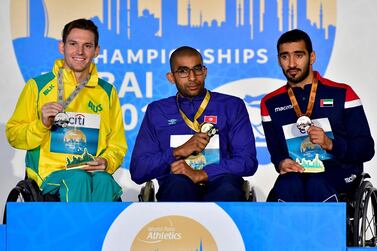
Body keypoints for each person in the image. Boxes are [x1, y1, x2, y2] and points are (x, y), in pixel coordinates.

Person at [6, 18, 127, 202]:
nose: (80, 51)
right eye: (73, 44)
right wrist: (42, 124)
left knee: (105, 181)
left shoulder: (107, 92)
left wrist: (107, 162)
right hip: (50, 174)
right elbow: (14, 135)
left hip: (90, 171)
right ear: (62, 47)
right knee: (78, 179)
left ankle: (102, 232)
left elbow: (117, 144)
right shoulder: (38, 86)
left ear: (96, 51)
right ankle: (76, 231)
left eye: (87, 45)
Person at [130, 46, 258, 201]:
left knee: (227, 188)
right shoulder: (157, 111)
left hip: (222, 184)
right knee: (177, 186)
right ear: (171, 77)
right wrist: (177, 152)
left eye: (197, 69)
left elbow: (247, 161)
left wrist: (203, 174)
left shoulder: (231, 106)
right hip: (177, 187)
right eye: (183, 71)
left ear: (204, 72)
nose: (192, 77)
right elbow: (138, 171)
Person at [261, 29, 375, 202]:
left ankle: (328, 230)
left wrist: (330, 144)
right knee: (286, 186)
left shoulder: (342, 93)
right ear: (279, 60)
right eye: (285, 56)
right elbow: (276, 151)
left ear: (312, 57)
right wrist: (281, 163)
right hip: (298, 172)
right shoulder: (270, 103)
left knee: (317, 183)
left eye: (299, 55)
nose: (291, 64)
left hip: (341, 169)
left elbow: (366, 149)